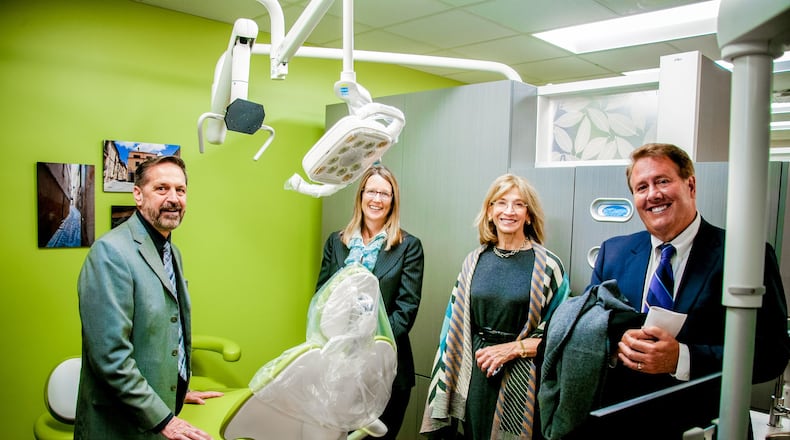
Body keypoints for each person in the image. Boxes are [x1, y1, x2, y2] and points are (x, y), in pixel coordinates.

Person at [588, 143, 790, 422]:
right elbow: (587, 329)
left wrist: (682, 358)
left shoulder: (744, 255)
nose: (653, 194)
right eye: (641, 187)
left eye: (662, 181)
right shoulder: (613, 253)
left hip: (704, 423)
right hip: (624, 420)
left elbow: (772, 355)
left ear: (690, 186)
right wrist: (617, 343)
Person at [76, 156, 221, 440]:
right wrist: (165, 419)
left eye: (180, 190)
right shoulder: (111, 253)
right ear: (138, 195)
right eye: (162, 188)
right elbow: (111, 358)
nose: (173, 199)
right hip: (120, 426)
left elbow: (161, 333)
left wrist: (178, 388)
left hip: (152, 415)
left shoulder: (170, 252)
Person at [421, 173, 571, 440]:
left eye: (519, 204)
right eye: (501, 203)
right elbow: (453, 327)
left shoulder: (549, 266)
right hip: (476, 372)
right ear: (489, 212)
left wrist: (512, 350)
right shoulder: (474, 260)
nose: (509, 211)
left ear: (529, 215)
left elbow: (562, 334)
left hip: (525, 374)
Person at [316, 164, 425, 440]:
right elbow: (321, 298)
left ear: (393, 201)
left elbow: (406, 311)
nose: (377, 199)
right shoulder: (336, 242)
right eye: (372, 191)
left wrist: (368, 345)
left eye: (385, 194)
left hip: (386, 369)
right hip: (339, 368)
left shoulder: (409, 247)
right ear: (361, 195)